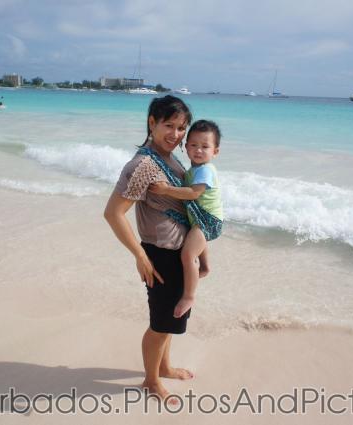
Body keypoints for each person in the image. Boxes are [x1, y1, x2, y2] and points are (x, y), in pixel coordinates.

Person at [104, 95, 196, 402]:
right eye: (169, 125)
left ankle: (165, 366)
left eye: (182, 128)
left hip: (177, 254)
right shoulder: (142, 165)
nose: (176, 134)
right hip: (160, 255)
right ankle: (151, 382)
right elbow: (113, 213)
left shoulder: (169, 158)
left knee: (171, 318)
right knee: (160, 325)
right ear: (152, 123)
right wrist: (140, 256)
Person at [149, 120, 223, 319]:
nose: (198, 150)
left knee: (187, 256)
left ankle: (189, 296)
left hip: (208, 220)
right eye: (193, 145)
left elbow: (193, 193)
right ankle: (205, 267)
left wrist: (166, 190)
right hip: (200, 219)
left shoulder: (206, 170)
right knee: (195, 239)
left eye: (205, 147)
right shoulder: (193, 170)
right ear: (186, 146)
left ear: (215, 151)